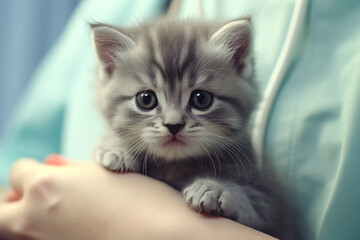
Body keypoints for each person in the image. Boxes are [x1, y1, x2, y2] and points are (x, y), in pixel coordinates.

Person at [1, 0, 360, 239]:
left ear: (239, 65)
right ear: (108, 69)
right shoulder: (113, 6)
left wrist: (149, 224)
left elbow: (270, 212)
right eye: (147, 100)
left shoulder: (240, 163)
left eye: (200, 99)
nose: (173, 120)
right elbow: (14, 169)